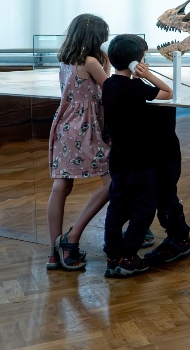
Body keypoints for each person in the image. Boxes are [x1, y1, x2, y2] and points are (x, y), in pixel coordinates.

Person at [100, 34, 190, 278]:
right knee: (144, 207)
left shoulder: (108, 85)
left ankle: (113, 255)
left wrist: (136, 74)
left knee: (117, 207)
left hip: (119, 159)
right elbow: (167, 92)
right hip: (141, 161)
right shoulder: (134, 88)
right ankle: (129, 256)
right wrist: (147, 74)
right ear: (136, 62)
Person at [46, 14, 112, 272]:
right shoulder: (91, 61)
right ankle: (72, 237)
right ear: (95, 36)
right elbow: (110, 89)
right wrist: (107, 65)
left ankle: (55, 250)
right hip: (86, 129)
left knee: (61, 186)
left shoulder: (65, 60)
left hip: (65, 126)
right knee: (112, 182)